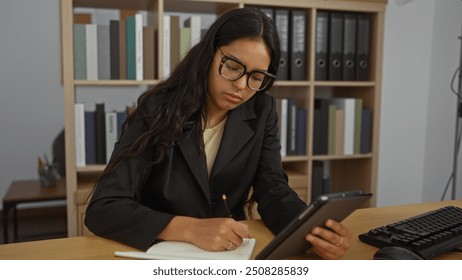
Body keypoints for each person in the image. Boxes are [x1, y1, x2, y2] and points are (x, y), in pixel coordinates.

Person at [85, 7, 352, 260]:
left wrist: (309, 229)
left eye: (257, 77)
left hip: (229, 253)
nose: (241, 86)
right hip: (163, 254)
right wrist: (190, 229)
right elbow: (103, 208)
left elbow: (273, 188)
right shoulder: (156, 108)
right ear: (209, 53)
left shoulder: (262, 109)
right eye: (233, 67)